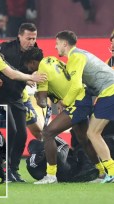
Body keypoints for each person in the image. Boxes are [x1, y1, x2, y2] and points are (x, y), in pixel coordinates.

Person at [22, 47, 103, 184]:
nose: (28, 68)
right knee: (83, 139)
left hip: (76, 102)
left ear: (32, 62)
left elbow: (42, 103)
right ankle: (102, 172)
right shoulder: (52, 60)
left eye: (27, 65)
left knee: (47, 133)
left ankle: (51, 176)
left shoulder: (41, 71)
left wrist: (37, 95)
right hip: (82, 98)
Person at [55, 30, 114, 183]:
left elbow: (75, 87)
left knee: (93, 133)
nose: (55, 47)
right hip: (108, 91)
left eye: (57, 44)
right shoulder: (80, 55)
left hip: (110, 91)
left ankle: (111, 172)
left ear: (64, 44)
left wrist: (64, 103)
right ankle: (108, 171)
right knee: (93, 133)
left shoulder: (75, 56)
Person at [0, 22, 39, 182]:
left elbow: (38, 71)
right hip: (1, 96)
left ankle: (13, 170)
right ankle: (4, 168)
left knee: (22, 133)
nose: (31, 42)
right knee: (12, 131)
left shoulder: (36, 52)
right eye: (28, 38)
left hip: (16, 97)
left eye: (34, 38)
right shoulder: (5, 49)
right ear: (19, 36)